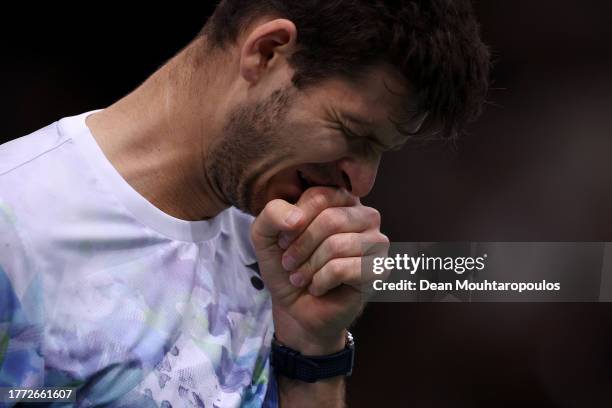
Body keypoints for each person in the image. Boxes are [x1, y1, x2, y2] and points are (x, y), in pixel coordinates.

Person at [0, 1, 489, 406]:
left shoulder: (292, 243)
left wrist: (315, 351)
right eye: (352, 133)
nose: (361, 180)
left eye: (382, 151)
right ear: (266, 51)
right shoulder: (16, 221)